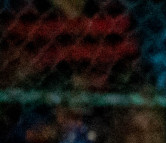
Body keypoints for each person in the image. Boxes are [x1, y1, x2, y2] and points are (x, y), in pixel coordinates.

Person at [0, 0, 139, 90]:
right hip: (41, 111)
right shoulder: (22, 16)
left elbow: (127, 73)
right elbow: (15, 75)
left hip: (100, 112)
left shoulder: (114, 15)